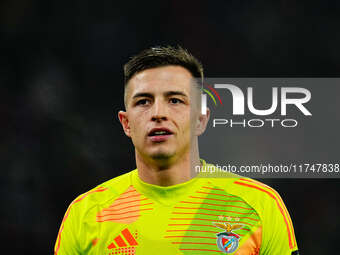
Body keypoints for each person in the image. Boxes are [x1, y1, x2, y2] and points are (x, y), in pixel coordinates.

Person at [54, 46, 299, 255]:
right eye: (143, 102)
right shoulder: (86, 214)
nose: (158, 113)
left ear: (201, 120)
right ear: (126, 123)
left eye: (175, 100)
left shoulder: (260, 206)